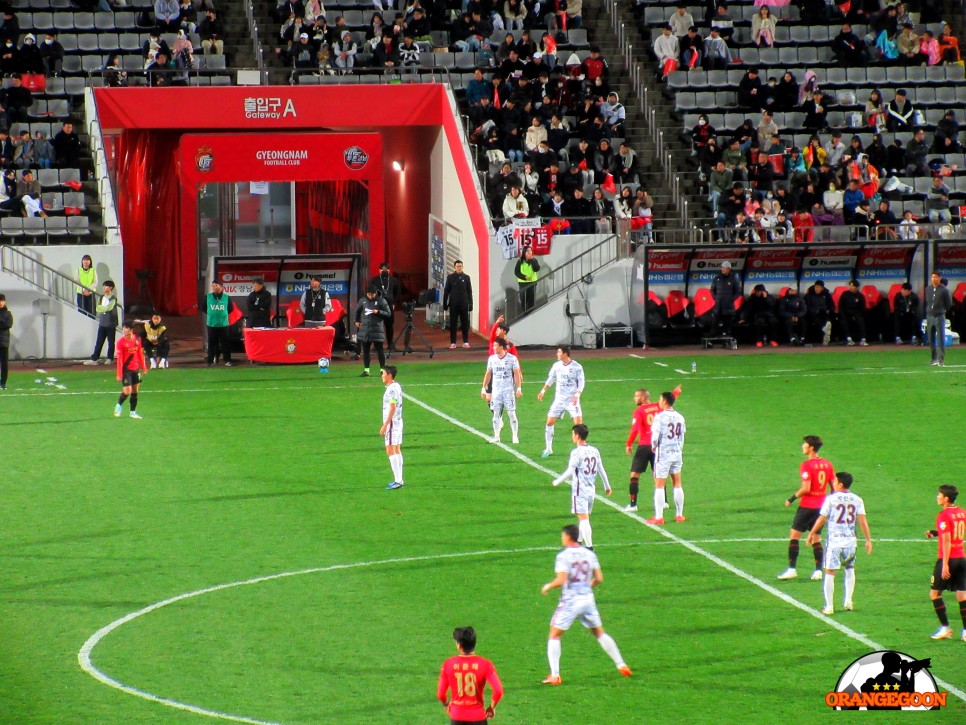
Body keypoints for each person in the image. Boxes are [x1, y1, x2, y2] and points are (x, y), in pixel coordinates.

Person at [540, 524, 631, 685]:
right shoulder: (589, 554)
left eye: (563, 535)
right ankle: (621, 664)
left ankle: (555, 675)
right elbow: (599, 579)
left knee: (554, 635)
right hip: (587, 600)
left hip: (570, 601)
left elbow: (561, 580)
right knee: (599, 633)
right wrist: (586, 586)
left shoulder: (563, 556)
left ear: (568, 537)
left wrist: (548, 586)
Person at [806, 472, 873, 615]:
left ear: (840, 484)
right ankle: (848, 600)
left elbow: (822, 519)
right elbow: (862, 521)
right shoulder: (857, 499)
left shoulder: (831, 499)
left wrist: (811, 533)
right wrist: (868, 539)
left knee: (830, 572)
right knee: (849, 568)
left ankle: (829, 606)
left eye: (835, 481)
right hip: (850, 541)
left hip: (835, 542)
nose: (833, 483)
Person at [777, 435, 835, 581]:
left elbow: (806, 488)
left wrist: (792, 498)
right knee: (816, 537)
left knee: (794, 536)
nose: (803, 446)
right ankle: (818, 571)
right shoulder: (828, 464)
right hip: (821, 506)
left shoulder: (806, 465)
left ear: (811, 448)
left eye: (805, 445)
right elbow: (834, 487)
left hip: (807, 506)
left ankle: (792, 569)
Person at [624, 385, 682, 512]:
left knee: (634, 475)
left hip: (645, 445)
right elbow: (669, 399)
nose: (634, 398)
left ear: (644, 398)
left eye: (636, 396)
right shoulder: (658, 406)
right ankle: (665, 502)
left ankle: (633, 504)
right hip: (659, 446)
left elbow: (635, 429)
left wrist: (629, 444)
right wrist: (676, 392)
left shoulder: (639, 412)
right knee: (659, 475)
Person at [925, 484, 966, 641]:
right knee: (962, 595)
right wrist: (936, 533)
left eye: (939, 495)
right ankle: (965, 632)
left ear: (946, 498)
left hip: (948, 558)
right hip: (962, 558)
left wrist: (945, 564)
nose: (937, 497)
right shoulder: (962, 512)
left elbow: (948, 540)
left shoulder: (943, 515)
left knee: (935, 593)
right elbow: (954, 532)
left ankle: (945, 628)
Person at [437, 626, 503, 723]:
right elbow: (498, 691)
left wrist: (447, 704)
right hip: (478, 717)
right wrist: (491, 707)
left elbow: (441, 694)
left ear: (459, 645)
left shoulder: (448, 664)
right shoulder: (485, 664)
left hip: (457, 717)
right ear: (474, 644)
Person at [647, 392, 687, 525]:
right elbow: (682, 437)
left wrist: (653, 446)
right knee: (677, 483)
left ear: (664, 401)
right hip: (676, 453)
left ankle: (659, 517)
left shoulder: (660, 417)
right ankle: (679, 515)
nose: (658, 401)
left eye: (659, 399)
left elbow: (655, 436)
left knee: (659, 485)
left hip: (663, 454)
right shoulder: (680, 417)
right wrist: (678, 449)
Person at [537, 346, 584, 458]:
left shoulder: (577, 367)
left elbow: (581, 382)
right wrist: (543, 390)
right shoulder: (556, 366)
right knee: (549, 422)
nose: (557, 354)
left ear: (565, 353)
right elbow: (551, 379)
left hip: (572, 400)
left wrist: (577, 394)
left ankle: (580, 449)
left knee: (578, 425)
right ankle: (548, 449)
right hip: (559, 400)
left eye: (559, 352)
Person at [481, 337, 522, 445]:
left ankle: (514, 435)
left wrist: (518, 388)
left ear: (501, 347)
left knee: (511, 413)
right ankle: (496, 436)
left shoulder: (512, 359)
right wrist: (483, 388)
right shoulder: (492, 359)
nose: (493, 348)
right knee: (496, 415)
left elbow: (516, 373)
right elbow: (488, 373)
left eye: (495, 346)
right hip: (496, 391)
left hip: (508, 391)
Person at [354, 285, 392, 377]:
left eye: (372, 294)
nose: (370, 296)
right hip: (365, 330)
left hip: (377, 329)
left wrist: (378, 312)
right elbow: (357, 311)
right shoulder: (362, 300)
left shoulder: (381, 301)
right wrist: (356, 321)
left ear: (376, 293)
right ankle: (366, 370)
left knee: (380, 350)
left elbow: (388, 313)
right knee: (366, 351)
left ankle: (382, 370)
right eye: (369, 294)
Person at [113, 321, 148, 420]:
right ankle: (119, 405)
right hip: (126, 370)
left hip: (136, 369)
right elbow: (119, 359)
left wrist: (143, 367)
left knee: (135, 391)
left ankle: (132, 412)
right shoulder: (120, 342)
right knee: (127, 391)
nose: (123, 329)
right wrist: (119, 373)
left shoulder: (137, 339)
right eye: (123, 327)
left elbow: (140, 354)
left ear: (131, 330)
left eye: (126, 328)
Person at [379, 365, 405, 491]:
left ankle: (398, 480)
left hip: (392, 424)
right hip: (398, 422)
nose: (381, 376)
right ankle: (400, 479)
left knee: (390, 451)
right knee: (397, 450)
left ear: (389, 375)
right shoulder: (396, 386)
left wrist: (385, 425)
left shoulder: (392, 390)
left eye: (383, 373)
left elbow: (393, 407)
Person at [84, 280, 118, 365]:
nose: (104, 288)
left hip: (111, 323)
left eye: (106, 286)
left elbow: (108, 308)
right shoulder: (101, 297)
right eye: (103, 286)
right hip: (102, 323)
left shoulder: (113, 298)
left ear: (110, 288)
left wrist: (102, 308)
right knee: (99, 341)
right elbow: (97, 308)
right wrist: (103, 308)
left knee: (111, 342)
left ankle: (110, 358)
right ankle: (94, 358)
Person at [443, 260, 473, 350]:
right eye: (457, 266)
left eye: (460, 266)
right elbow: (446, 292)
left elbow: (469, 292)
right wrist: (445, 303)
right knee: (453, 324)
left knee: (465, 324)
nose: (459, 268)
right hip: (453, 305)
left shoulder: (467, 278)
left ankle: (465, 342)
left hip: (464, 304)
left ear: (462, 267)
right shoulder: (450, 278)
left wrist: (471, 304)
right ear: (454, 267)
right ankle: (453, 343)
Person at [205, 280, 235, 367]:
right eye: (213, 286)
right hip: (212, 324)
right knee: (211, 343)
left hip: (223, 324)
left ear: (221, 287)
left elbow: (230, 308)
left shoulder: (226, 297)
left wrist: (221, 314)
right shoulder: (208, 297)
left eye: (216, 285)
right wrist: (212, 314)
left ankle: (227, 360)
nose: (214, 287)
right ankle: (210, 361)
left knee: (225, 343)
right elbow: (203, 307)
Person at [925, 271, 952, 367]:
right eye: (932, 277)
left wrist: (942, 310)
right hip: (929, 316)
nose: (934, 279)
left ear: (939, 278)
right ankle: (934, 359)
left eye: (936, 277)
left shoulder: (944, 290)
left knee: (940, 338)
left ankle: (941, 360)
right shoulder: (928, 289)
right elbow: (928, 301)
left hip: (939, 316)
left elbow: (949, 304)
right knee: (930, 339)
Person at [371, 262, 400, 349]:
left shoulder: (393, 280)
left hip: (389, 306)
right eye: (382, 270)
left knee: (389, 325)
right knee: (377, 326)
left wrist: (393, 302)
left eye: (386, 270)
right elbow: (370, 292)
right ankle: (377, 345)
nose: (384, 271)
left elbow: (397, 292)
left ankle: (390, 343)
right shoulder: (374, 280)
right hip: (377, 306)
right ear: (379, 270)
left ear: (389, 270)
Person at [710, 261, 741, 335]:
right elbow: (712, 290)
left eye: (724, 268)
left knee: (727, 325)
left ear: (729, 269)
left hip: (728, 307)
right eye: (722, 267)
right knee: (715, 324)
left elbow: (738, 291)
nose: (722, 269)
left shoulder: (734, 279)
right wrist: (716, 298)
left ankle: (726, 340)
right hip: (718, 306)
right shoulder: (717, 278)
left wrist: (731, 299)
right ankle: (711, 339)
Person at [804, 279, 834, 346]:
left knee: (827, 317)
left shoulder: (827, 295)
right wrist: (815, 310)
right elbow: (806, 306)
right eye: (816, 287)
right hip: (812, 313)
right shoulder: (808, 295)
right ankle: (824, 328)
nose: (817, 289)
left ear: (822, 288)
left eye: (819, 287)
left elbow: (831, 306)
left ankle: (826, 335)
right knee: (814, 317)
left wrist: (828, 311)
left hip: (824, 313)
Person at [839, 280, 869, 346]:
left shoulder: (860, 296)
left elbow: (862, 308)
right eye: (850, 285)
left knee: (861, 321)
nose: (850, 287)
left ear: (856, 287)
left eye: (852, 286)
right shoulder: (845, 294)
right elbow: (841, 306)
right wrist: (843, 314)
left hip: (856, 314)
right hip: (846, 314)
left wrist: (856, 316)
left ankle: (863, 340)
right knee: (844, 321)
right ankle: (849, 339)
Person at [514, 245, 540, 313]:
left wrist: (531, 260)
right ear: (524, 253)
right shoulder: (520, 261)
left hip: (532, 282)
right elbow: (516, 272)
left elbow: (537, 269)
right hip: (523, 283)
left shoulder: (534, 260)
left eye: (530, 250)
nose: (529, 252)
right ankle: (524, 312)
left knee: (531, 298)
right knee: (523, 298)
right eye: (527, 251)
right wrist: (524, 277)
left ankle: (530, 312)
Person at [0, 293, 11, 390]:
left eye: (2, 300)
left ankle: (3, 383)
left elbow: (8, 325)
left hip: (3, 343)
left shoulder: (8, 313)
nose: (1, 302)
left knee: (4, 364)